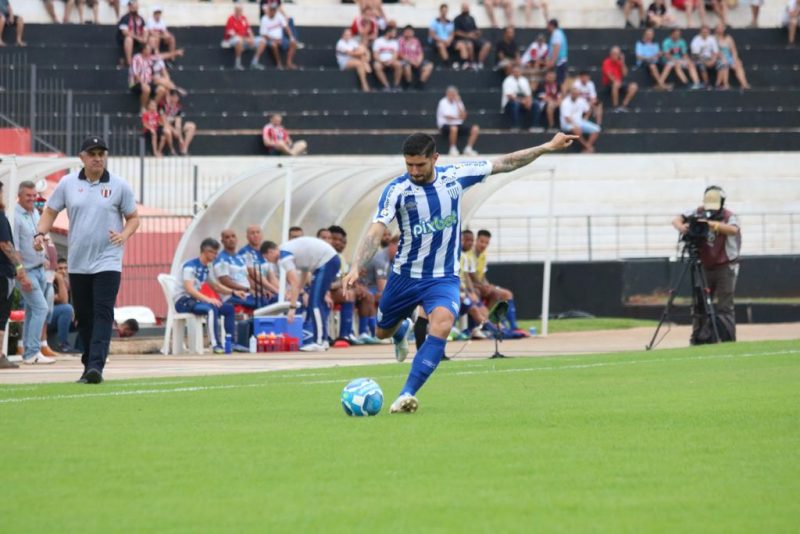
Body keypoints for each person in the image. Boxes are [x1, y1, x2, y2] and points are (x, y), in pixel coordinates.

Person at [342, 132, 576, 413]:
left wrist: (547, 147)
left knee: (441, 323)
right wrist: (357, 265)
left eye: (420, 165)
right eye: (409, 165)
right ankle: (401, 329)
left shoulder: (455, 176)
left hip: (443, 277)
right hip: (404, 276)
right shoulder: (397, 191)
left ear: (435, 159)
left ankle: (406, 394)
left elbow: (506, 162)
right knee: (381, 331)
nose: (414, 172)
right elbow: (376, 230)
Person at [36, 136, 140, 384]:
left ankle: (96, 366)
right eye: (92, 154)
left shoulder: (119, 185)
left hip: (108, 260)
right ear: (82, 157)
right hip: (79, 261)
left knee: (103, 312)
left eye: (101, 153)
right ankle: (89, 364)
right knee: (84, 315)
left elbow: (133, 218)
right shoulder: (68, 183)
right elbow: (50, 211)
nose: (97, 158)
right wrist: (40, 233)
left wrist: (124, 235)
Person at [671, 186, 740, 344]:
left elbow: (733, 230)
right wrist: (684, 228)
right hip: (703, 265)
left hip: (725, 266)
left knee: (725, 306)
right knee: (700, 305)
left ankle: (727, 338)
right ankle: (701, 338)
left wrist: (710, 224)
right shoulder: (697, 212)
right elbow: (676, 220)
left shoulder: (729, 216)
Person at [12, 181, 55, 365]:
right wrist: (21, 274)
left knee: (32, 311)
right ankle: (32, 351)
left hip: (39, 269)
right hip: (27, 271)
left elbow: (39, 237)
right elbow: (15, 249)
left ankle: (29, 352)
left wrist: (44, 257)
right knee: (41, 308)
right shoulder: (14, 216)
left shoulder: (35, 212)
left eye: (34, 195)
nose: (32, 198)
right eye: (28, 195)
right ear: (19, 196)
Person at [275, 236, 340, 352]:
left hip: (326, 261)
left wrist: (292, 307)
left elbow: (294, 283)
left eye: (267, 258)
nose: (272, 262)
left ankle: (318, 341)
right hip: (330, 260)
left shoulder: (283, 256)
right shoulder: (293, 250)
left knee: (314, 303)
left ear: (270, 252)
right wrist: (301, 290)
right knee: (317, 302)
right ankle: (323, 340)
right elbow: (304, 273)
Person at [175, 238, 235, 354]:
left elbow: (215, 286)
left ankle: (230, 342)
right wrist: (208, 299)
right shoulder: (190, 266)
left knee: (229, 309)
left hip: (195, 301)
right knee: (211, 309)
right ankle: (215, 345)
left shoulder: (207, 267)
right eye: (214, 253)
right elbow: (189, 289)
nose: (216, 256)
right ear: (207, 252)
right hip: (183, 301)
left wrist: (233, 292)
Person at [0, 181, 20, 369]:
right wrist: (19, 266)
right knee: (1, 314)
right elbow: (5, 244)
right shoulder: (0, 217)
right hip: (2, 273)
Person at [436, 86, 480, 156]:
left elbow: (464, 116)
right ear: (447, 94)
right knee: (454, 128)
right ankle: (452, 148)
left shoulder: (458, 102)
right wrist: (458, 117)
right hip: (445, 125)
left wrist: (457, 103)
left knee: (475, 128)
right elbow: (448, 117)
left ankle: (468, 148)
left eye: (455, 94)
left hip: (458, 125)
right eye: (452, 94)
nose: (453, 96)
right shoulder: (442, 102)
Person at [222, 3, 267, 71]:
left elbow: (249, 30)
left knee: (263, 40)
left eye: (241, 10)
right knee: (238, 40)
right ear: (235, 10)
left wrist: (251, 38)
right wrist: (246, 39)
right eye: (238, 10)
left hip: (245, 39)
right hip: (232, 40)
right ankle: (237, 64)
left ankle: (254, 62)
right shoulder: (231, 19)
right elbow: (233, 34)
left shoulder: (244, 18)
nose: (239, 12)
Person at [48, 257, 79, 353]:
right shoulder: (50, 282)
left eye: (65, 268)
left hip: (62, 320)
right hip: (46, 320)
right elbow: (64, 301)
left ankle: (82, 348)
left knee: (86, 316)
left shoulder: (68, 284)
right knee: (67, 309)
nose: (63, 271)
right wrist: (60, 280)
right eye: (60, 268)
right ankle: (63, 344)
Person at [560, 86, 600, 153]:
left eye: (576, 94)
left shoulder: (581, 100)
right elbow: (567, 118)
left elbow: (587, 110)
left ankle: (587, 149)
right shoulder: (565, 102)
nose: (575, 95)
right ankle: (588, 147)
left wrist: (586, 117)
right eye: (573, 93)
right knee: (577, 129)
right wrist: (576, 125)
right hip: (567, 124)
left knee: (597, 129)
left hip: (579, 122)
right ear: (571, 94)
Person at [453, 3, 491, 71]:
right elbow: (456, 32)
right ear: (462, 9)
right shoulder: (457, 19)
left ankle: (479, 63)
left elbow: (475, 28)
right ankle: (472, 63)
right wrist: (468, 35)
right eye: (464, 8)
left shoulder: (471, 18)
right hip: (463, 39)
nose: (466, 9)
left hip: (474, 38)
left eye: (467, 7)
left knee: (487, 45)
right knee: (469, 44)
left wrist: (477, 32)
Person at [259, 3, 298, 70]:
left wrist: (291, 37)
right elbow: (264, 34)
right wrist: (274, 39)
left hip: (280, 39)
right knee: (273, 45)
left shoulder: (279, 16)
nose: (273, 11)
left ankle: (289, 63)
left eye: (274, 10)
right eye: (272, 10)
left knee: (294, 43)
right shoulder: (264, 19)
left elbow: (286, 27)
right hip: (270, 40)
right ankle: (278, 63)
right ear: (269, 10)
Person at [429, 3, 467, 68]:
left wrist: (449, 40)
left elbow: (452, 34)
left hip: (448, 41)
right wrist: (443, 41)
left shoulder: (450, 22)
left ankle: (464, 64)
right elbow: (432, 35)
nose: (444, 13)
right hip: (438, 41)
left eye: (446, 11)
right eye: (443, 11)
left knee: (462, 45)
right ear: (440, 11)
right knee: (441, 45)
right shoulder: (434, 22)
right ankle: (448, 65)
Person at [601, 46, 639, 112]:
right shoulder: (606, 62)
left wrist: (623, 63)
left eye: (618, 54)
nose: (617, 56)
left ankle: (624, 105)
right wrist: (617, 82)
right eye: (615, 54)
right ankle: (615, 106)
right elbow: (609, 75)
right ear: (611, 54)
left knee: (634, 86)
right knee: (616, 84)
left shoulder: (619, 63)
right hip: (609, 83)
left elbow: (625, 74)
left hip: (620, 82)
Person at [159, 90, 196, 156]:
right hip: (164, 125)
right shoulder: (162, 105)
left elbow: (178, 122)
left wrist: (180, 138)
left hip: (174, 125)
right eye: (175, 97)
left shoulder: (178, 107)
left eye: (177, 97)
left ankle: (184, 149)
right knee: (167, 131)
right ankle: (172, 151)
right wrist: (173, 131)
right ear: (170, 97)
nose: (176, 99)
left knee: (192, 126)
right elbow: (164, 121)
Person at [714, 24, 751, 90]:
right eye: (718, 28)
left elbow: (733, 50)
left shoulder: (729, 38)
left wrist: (735, 59)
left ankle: (744, 83)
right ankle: (726, 84)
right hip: (719, 58)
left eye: (721, 28)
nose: (720, 29)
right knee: (724, 64)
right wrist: (723, 58)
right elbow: (715, 51)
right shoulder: (713, 38)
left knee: (738, 65)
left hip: (729, 57)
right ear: (716, 29)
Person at [336, 28, 372, 92]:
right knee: (359, 63)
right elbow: (351, 54)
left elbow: (363, 49)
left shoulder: (352, 42)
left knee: (360, 57)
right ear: (343, 35)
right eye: (346, 35)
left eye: (349, 35)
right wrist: (361, 52)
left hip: (354, 59)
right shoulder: (340, 43)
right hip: (344, 62)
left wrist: (363, 53)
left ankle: (364, 63)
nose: (348, 36)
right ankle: (364, 84)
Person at [502, 64, 535, 131]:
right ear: (512, 72)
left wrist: (529, 101)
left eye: (518, 71)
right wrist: (522, 101)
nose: (517, 73)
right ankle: (515, 126)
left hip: (523, 101)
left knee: (536, 104)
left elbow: (528, 94)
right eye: (515, 71)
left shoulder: (524, 80)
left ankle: (535, 126)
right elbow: (509, 96)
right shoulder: (507, 80)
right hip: (510, 103)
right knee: (515, 104)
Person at [398, 25, 433, 89]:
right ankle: (408, 84)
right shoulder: (400, 41)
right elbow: (400, 54)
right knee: (406, 66)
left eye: (410, 31)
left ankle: (421, 83)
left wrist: (419, 61)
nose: (408, 33)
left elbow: (420, 53)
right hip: (407, 60)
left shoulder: (416, 41)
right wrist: (411, 61)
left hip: (416, 60)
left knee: (429, 65)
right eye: (407, 31)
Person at [372, 23, 403, 92]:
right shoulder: (378, 41)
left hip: (391, 61)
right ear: (388, 32)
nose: (395, 34)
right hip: (381, 61)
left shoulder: (394, 42)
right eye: (393, 32)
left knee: (399, 65)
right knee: (376, 66)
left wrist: (391, 61)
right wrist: (381, 61)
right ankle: (386, 86)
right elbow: (375, 55)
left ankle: (396, 85)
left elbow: (395, 54)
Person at [117, 0, 146, 66]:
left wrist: (145, 38)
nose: (134, 7)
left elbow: (145, 29)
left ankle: (151, 61)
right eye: (132, 6)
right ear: (129, 7)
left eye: (135, 6)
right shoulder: (125, 18)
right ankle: (129, 62)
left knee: (151, 39)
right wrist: (138, 38)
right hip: (126, 40)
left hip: (138, 40)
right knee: (128, 39)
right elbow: (125, 32)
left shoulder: (140, 18)